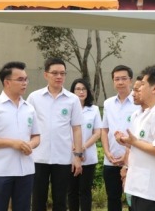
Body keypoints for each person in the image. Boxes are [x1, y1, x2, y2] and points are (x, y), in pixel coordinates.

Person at [0, 61, 40, 211]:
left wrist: (29, 145)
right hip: (1, 170)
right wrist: (13, 143)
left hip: (26, 170)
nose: (25, 83)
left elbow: (36, 137)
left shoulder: (29, 108)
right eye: (20, 79)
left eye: (26, 79)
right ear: (7, 82)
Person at [117, 65, 155, 211]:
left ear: (154, 88)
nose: (138, 89)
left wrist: (135, 142)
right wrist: (128, 142)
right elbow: (141, 145)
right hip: (140, 187)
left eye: (143, 85)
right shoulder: (145, 114)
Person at [28, 58, 84, 211]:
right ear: (46, 75)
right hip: (39, 157)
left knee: (60, 202)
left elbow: (77, 128)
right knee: (38, 201)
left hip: (62, 158)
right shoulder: (34, 97)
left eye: (62, 73)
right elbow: (27, 126)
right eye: (55, 73)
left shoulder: (72, 99)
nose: (59, 76)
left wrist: (78, 156)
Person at [100, 65, 135, 211]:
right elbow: (104, 129)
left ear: (131, 81)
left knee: (133, 200)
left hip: (132, 160)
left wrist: (126, 155)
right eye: (117, 79)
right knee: (113, 198)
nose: (120, 82)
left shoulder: (138, 102)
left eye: (123, 79)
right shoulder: (108, 103)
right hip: (111, 160)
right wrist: (107, 153)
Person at [67, 79, 102, 211]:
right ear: (72, 92)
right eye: (77, 89)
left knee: (85, 191)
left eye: (84, 89)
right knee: (72, 191)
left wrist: (82, 147)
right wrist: (74, 147)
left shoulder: (94, 110)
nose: (81, 92)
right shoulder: (68, 108)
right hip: (69, 156)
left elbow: (97, 132)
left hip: (88, 157)